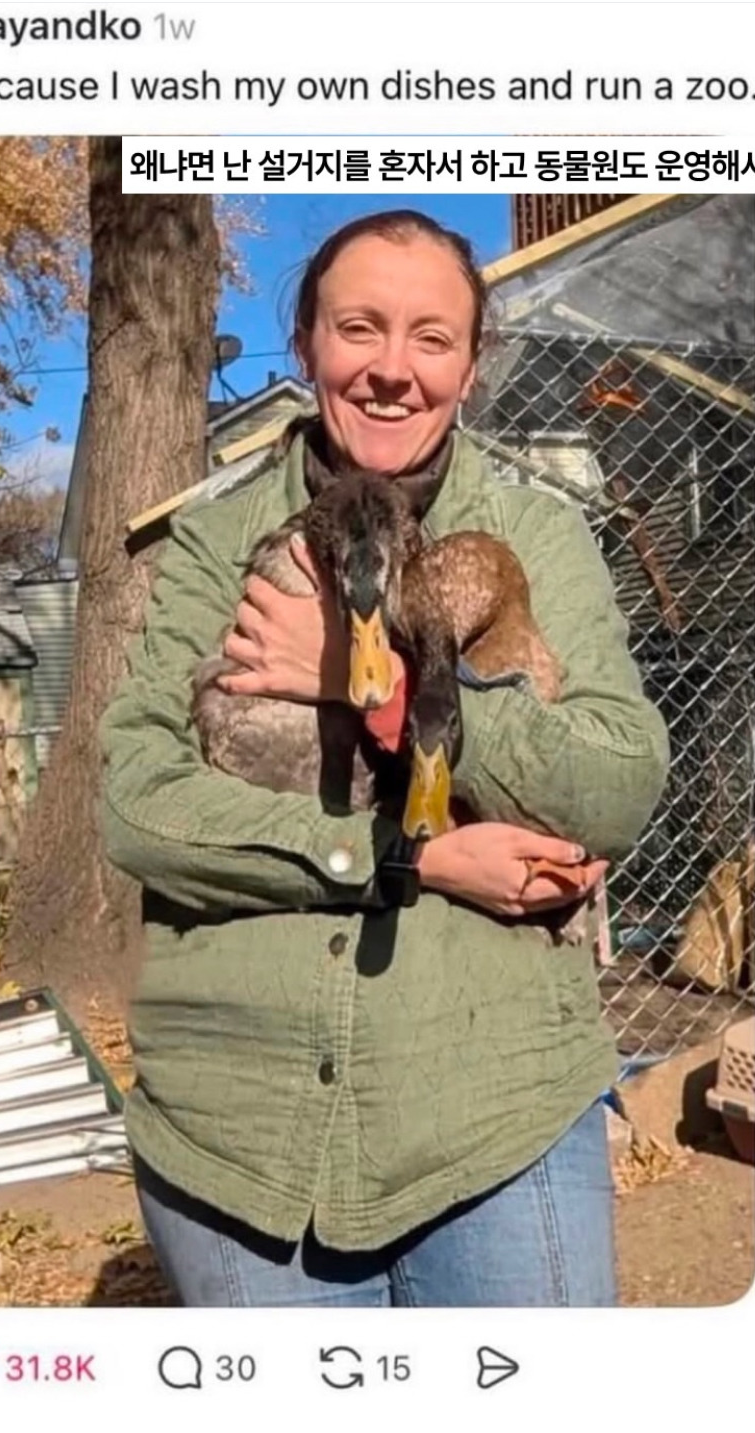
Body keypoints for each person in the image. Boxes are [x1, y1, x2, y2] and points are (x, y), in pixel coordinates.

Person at [100, 209, 670, 1307]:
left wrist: (367, 683)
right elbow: (136, 804)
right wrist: (410, 859)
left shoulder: (539, 534)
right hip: (236, 1121)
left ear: (471, 365)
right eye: (359, 328)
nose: (393, 370)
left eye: (432, 337)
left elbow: (611, 787)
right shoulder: (216, 542)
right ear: (306, 343)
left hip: (494, 1107)